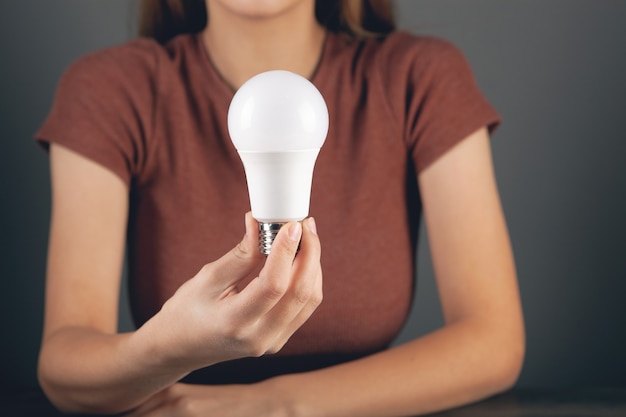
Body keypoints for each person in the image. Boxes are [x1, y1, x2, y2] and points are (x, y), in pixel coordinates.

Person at [36, 0, 525, 415]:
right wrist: (166, 347)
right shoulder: (111, 89)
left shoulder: (419, 77)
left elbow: (493, 341)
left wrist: (274, 404)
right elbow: (65, 367)